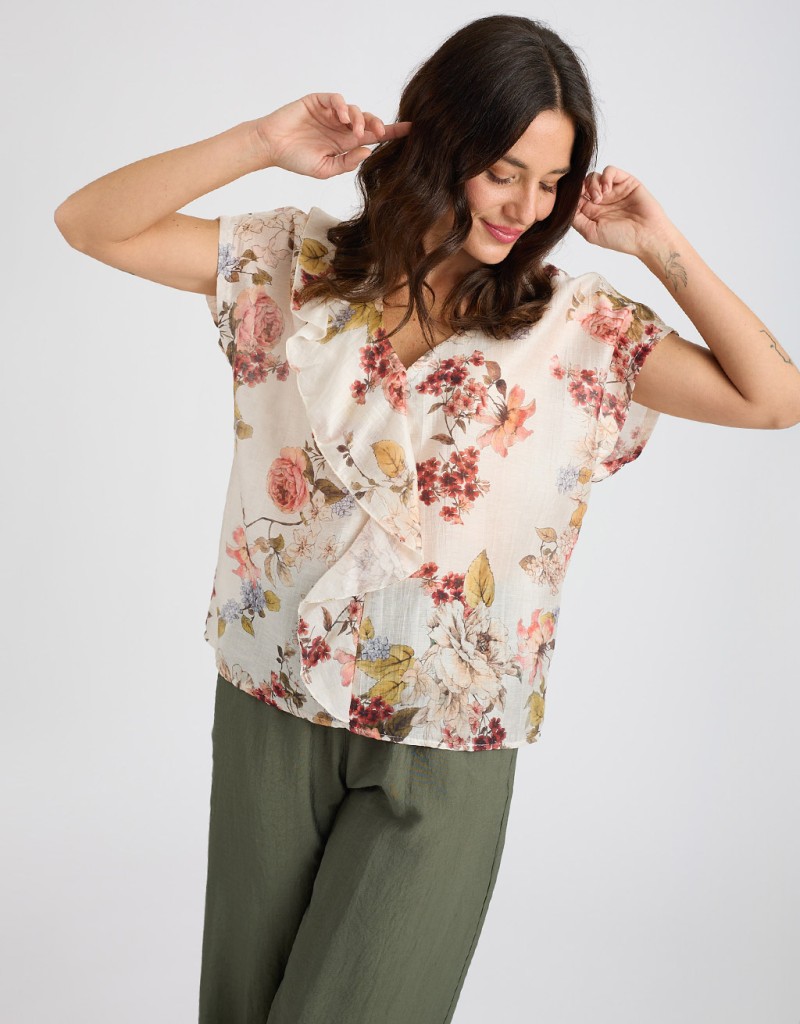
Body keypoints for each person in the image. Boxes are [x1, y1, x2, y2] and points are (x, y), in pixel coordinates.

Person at [53, 13, 799, 1024]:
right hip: (272, 693)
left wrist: (656, 242)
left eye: (551, 181)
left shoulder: (577, 328)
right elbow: (89, 223)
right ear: (439, 144)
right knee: (241, 1007)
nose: (526, 206)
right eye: (503, 171)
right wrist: (262, 141)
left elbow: (774, 398)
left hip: (448, 734)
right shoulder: (293, 265)